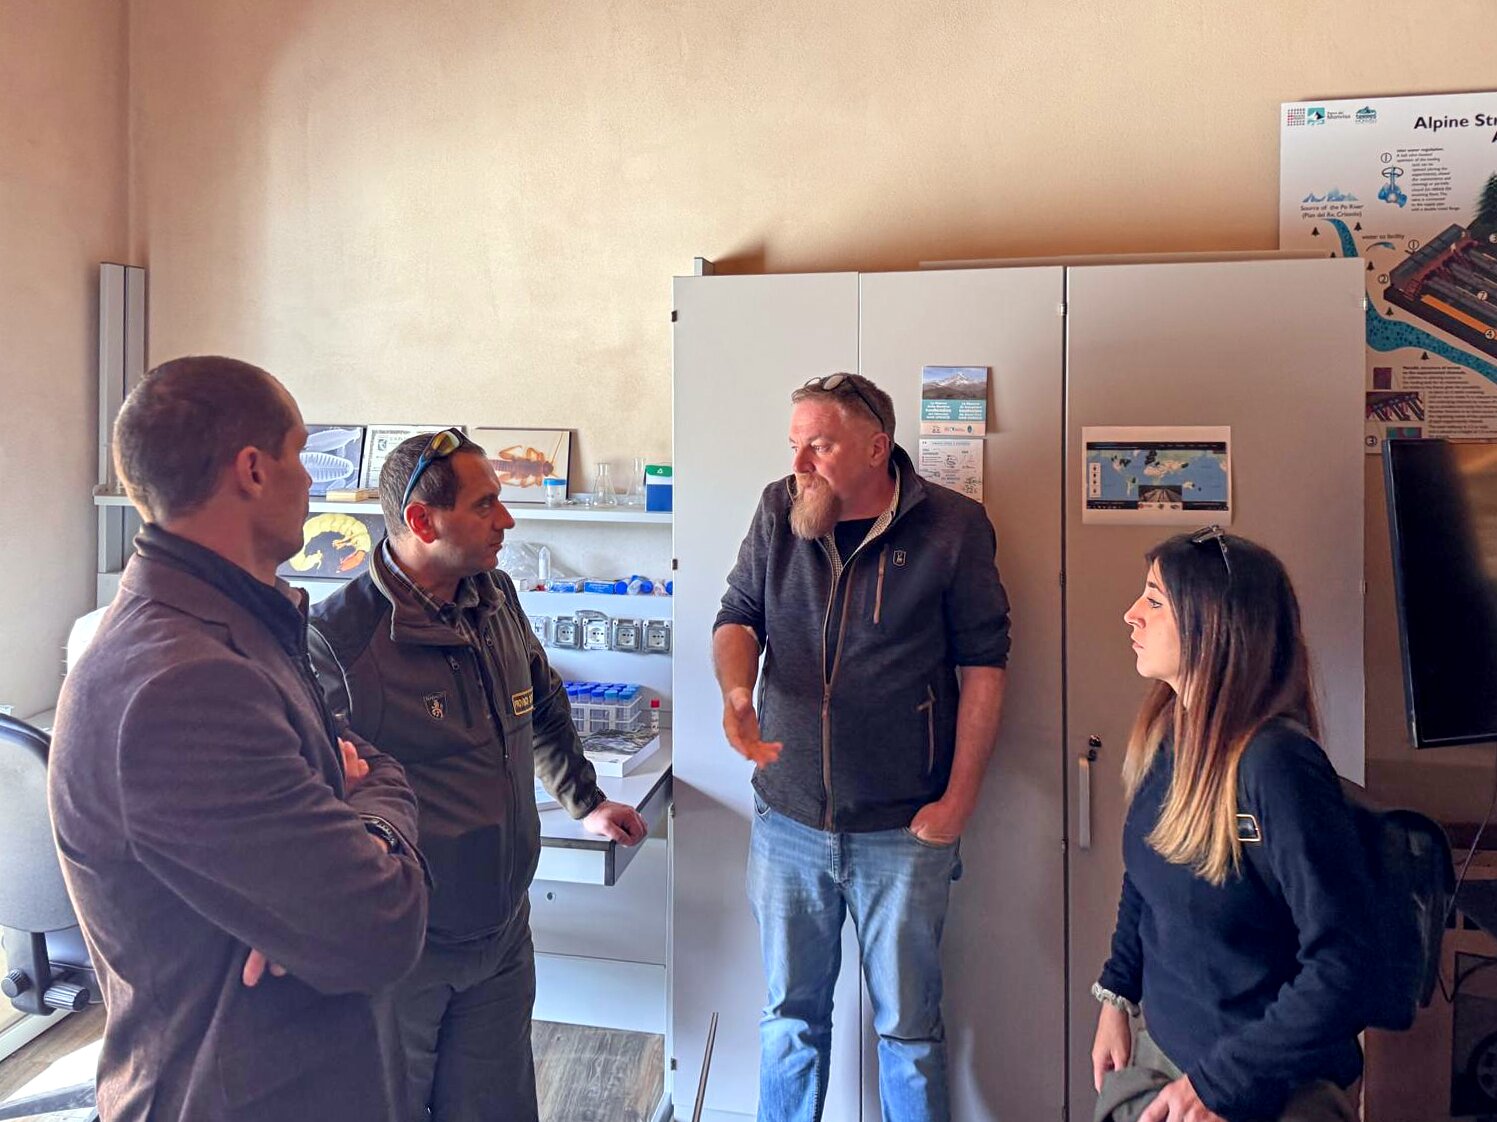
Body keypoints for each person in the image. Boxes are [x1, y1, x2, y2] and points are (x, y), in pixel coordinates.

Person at [48, 356, 430, 1122]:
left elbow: (361, 760)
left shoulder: (239, 627)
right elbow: (374, 925)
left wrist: (341, 834)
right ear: (253, 469)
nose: (313, 483)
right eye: (300, 454)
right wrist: (365, 822)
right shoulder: (181, 683)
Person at [308, 429, 648, 1122]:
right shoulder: (337, 640)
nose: (508, 520)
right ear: (421, 521)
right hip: (404, 951)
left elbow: (544, 698)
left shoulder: (493, 595)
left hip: (500, 934)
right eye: (487, 504)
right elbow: (312, 806)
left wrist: (583, 800)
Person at [713, 373, 1011, 1122]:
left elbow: (984, 666)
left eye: (818, 444)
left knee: (907, 1031)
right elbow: (737, 614)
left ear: (877, 447)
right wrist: (738, 693)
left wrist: (958, 801)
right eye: (793, 445)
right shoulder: (777, 511)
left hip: (903, 832)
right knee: (790, 1022)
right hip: (786, 824)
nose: (800, 463)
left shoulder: (953, 526)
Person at [1091, 528, 1377, 1122]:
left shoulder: (1278, 768)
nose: (1130, 615)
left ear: (1211, 625)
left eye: (1153, 599)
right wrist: (1117, 994)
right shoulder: (1169, 736)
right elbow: (1146, 876)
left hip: (1262, 1089)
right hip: (1171, 1065)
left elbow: (1345, 965)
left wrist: (1220, 1085)